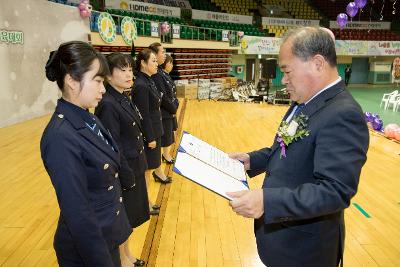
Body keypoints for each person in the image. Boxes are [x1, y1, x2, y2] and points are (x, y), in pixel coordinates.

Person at [227, 27, 369, 267]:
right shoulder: (304, 101)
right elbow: (287, 148)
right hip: (283, 242)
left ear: (317, 63)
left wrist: (267, 202)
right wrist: (252, 160)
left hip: (304, 252)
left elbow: (335, 191)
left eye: (287, 70)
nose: (283, 80)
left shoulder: (343, 114)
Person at [41, 41, 132, 266]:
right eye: (98, 81)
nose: (103, 89)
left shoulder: (88, 117)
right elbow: (79, 215)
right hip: (87, 251)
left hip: (106, 234)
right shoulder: (61, 137)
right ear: (72, 81)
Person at [95, 53, 149, 267]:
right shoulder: (108, 104)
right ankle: (122, 259)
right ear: (108, 76)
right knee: (122, 219)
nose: (129, 74)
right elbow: (113, 146)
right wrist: (127, 176)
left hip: (133, 166)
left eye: (129, 69)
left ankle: (127, 254)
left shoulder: (121, 96)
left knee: (129, 219)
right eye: (123, 70)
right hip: (124, 171)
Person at [131, 48, 171, 214]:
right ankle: (145, 204)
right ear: (143, 63)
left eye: (156, 60)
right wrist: (150, 137)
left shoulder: (149, 80)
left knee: (149, 170)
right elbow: (144, 114)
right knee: (146, 172)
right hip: (151, 135)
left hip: (155, 130)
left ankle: (146, 202)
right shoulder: (141, 85)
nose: (157, 63)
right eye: (153, 61)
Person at [149, 42, 179, 167]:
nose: (164, 55)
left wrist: (175, 104)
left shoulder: (161, 72)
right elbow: (162, 96)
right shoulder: (156, 74)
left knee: (168, 137)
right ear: (155, 54)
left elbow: (171, 91)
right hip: (164, 112)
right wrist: (172, 107)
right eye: (162, 52)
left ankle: (166, 156)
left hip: (169, 111)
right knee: (164, 139)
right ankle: (161, 165)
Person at [159, 53, 179, 162]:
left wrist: (175, 104)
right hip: (166, 111)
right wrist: (173, 107)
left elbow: (173, 94)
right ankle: (165, 155)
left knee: (170, 135)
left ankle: (167, 154)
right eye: (170, 62)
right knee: (166, 136)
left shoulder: (166, 75)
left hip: (171, 109)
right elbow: (164, 97)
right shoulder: (160, 75)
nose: (171, 65)